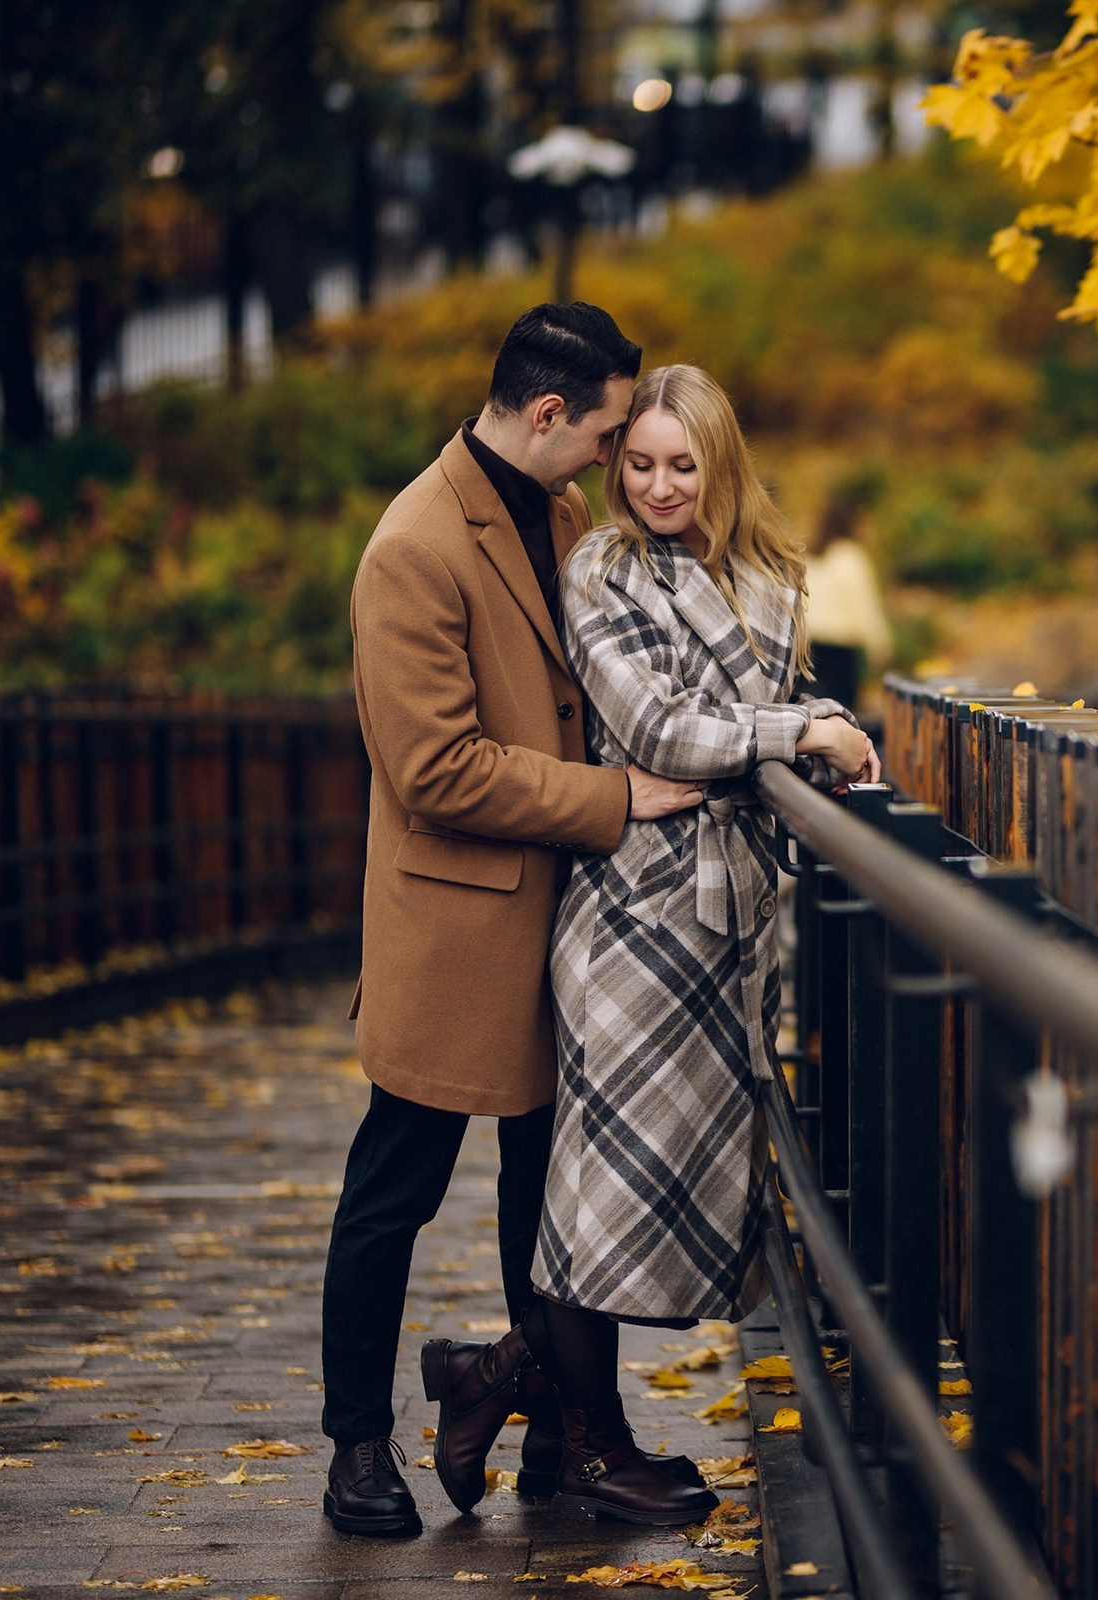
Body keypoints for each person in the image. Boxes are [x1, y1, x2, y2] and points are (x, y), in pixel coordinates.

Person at [420, 364, 879, 1527]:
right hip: (631, 914)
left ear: (720, 464)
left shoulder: (775, 576)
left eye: (684, 463)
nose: (661, 484)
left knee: (665, 1194)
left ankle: (495, 1377)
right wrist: (803, 728)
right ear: (615, 470)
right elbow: (656, 727)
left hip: (729, 924)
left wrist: (820, 737)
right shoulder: (602, 567)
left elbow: (761, 729)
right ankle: (588, 1446)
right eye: (640, 463)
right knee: (598, 1199)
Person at [321, 303, 711, 1539]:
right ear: (549, 414)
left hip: (567, 915)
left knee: (547, 1191)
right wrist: (615, 796)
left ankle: (555, 1426)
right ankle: (356, 1445)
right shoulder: (412, 546)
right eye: (606, 434)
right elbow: (434, 768)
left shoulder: (558, 510)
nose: (615, 459)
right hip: (456, 927)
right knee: (398, 1184)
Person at [802, 489, 894, 711]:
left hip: (807, 646)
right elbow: (865, 606)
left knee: (811, 713)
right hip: (840, 649)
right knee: (841, 711)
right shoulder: (851, 556)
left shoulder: (809, 556)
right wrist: (880, 646)